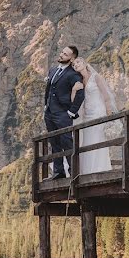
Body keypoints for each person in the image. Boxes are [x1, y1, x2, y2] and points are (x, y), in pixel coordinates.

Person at [43, 45, 85, 180]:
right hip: (49, 112)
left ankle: (74, 172)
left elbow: (80, 93)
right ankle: (58, 172)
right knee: (54, 143)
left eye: (65, 54)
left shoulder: (73, 75)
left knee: (67, 142)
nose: (61, 55)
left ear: (72, 58)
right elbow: (49, 89)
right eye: (62, 52)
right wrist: (46, 106)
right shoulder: (53, 70)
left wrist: (72, 112)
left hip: (62, 113)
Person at [71, 57, 117, 174]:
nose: (76, 65)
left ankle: (100, 170)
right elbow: (73, 102)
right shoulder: (79, 81)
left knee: (98, 140)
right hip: (87, 115)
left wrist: (109, 116)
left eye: (78, 62)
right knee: (87, 141)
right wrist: (74, 90)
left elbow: (106, 96)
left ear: (84, 63)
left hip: (98, 112)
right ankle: (88, 171)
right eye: (73, 65)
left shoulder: (95, 77)